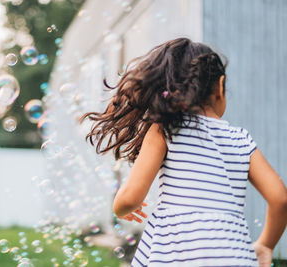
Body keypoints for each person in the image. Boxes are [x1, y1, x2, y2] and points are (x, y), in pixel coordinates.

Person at [81, 37, 287, 266]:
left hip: (176, 253)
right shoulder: (242, 139)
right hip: (234, 255)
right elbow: (280, 199)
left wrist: (120, 208)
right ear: (220, 87)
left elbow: (129, 199)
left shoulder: (165, 129)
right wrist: (266, 244)